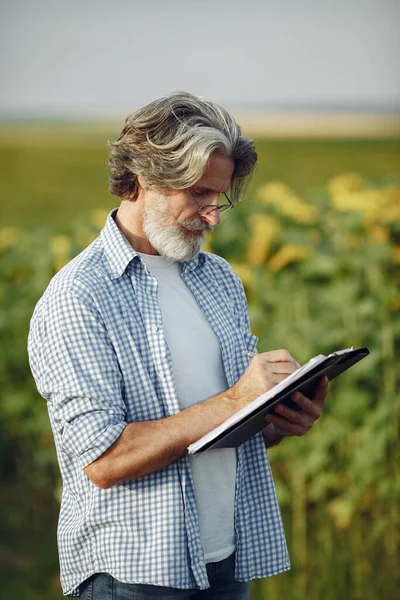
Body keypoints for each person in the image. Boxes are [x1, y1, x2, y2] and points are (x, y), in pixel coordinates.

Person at [28, 91, 328, 600]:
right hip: (133, 577)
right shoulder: (77, 297)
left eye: (221, 197)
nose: (214, 217)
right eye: (198, 194)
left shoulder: (219, 279)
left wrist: (273, 421)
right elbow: (104, 460)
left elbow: (215, 431)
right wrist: (237, 398)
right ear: (145, 177)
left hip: (226, 563)